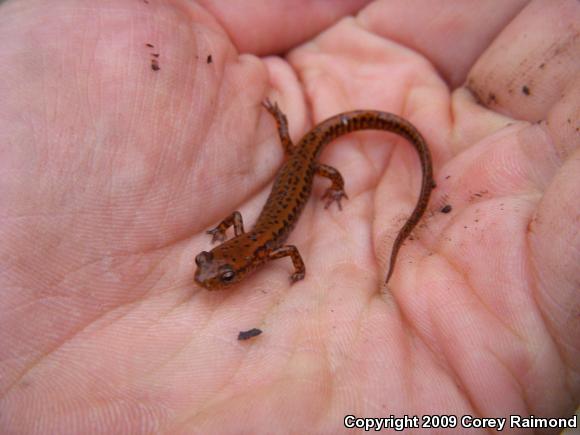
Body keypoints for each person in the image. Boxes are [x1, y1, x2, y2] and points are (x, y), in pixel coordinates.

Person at [1, 0, 578, 432]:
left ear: (245, 264)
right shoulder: (260, 244)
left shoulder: (269, 246)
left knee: (315, 167)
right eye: (215, 269)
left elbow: (285, 246)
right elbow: (248, 231)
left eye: (218, 273)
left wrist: (317, 224)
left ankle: (362, 161)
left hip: (305, 157)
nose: (211, 277)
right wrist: (248, 247)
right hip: (298, 158)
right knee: (300, 159)